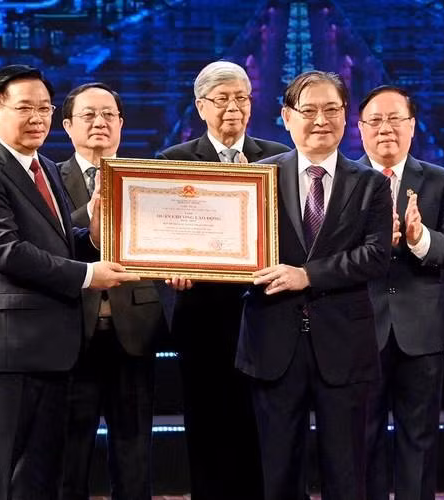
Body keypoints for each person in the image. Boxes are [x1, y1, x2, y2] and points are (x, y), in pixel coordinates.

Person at [0, 64, 138, 500]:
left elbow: (51, 240)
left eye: (44, 108)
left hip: (52, 350)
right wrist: (88, 274)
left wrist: (87, 235)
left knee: (39, 476)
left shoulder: (44, 167)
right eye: (25, 108)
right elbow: (6, 250)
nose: (37, 117)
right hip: (4, 350)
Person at [236, 70, 392, 499]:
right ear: (286, 117)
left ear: (347, 117)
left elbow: (376, 256)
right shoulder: (257, 177)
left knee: (346, 472)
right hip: (272, 342)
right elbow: (234, 247)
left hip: (345, 344)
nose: (321, 119)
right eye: (309, 110)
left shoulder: (372, 184)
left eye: (332, 110)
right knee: (278, 472)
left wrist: (307, 276)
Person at [157, 59, 289, 500]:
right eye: (222, 99)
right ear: (200, 106)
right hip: (203, 318)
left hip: (267, 311)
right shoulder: (172, 162)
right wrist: (169, 266)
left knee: (264, 424)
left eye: (242, 97)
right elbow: (161, 238)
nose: (234, 107)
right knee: (208, 423)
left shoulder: (277, 159)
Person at [357, 85, 444, 500]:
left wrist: (420, 238)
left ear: (412, 126)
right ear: (360, 128)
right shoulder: (343, 180)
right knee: (361, 440)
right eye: (375, 120)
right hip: (360, 330)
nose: (385, 129)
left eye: (395, 119)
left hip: (421, 333)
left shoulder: (441, 182)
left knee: (419, 440)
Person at [58, 82, 167, 500]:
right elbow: (45, 240)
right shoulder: (47, 177)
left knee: (135, 451)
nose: (100, 122)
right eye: (89, 115)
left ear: (122, 123)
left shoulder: (148, 176)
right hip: (70, 331)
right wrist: (89, 212)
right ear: (67, 125)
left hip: (134, 330)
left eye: (109, 115)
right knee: (70, 453)